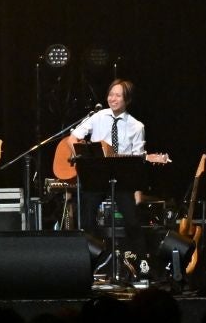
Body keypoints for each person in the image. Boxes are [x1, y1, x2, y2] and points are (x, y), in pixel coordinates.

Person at [61, 79, 170, 237]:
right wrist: (81, 156)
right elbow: (73, 138)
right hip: (97, 174)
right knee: (86, 219)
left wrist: (138, 189)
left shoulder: (137, 126)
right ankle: (93, 250)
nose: (113, 99)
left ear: (127, 99)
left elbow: (137, 161)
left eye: (118, 95)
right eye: (111, 95)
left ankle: (136, 251)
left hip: (120, 178)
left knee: (132, 222)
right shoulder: (98, 116)